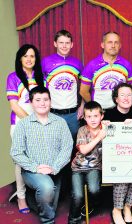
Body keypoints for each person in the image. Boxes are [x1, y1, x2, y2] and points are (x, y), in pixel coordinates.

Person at [10, 86, 73, 224]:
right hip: (32, 171)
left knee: (50, 205)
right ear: (31, 103)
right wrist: (36, 167)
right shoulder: (23, 125)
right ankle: (47, 221)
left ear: (50, 101)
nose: (42, 103)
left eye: (46, 99)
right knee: (46, 189)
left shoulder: (60, 123)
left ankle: (32, 199)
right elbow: (16, 153)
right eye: (37, 100)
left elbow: (67, 148)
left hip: (55, 171)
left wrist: (54, 167)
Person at [6, 44, 44, 214]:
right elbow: (14, 105)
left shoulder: (41, 77)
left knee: (37, 160)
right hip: (20, 125)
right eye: (25, 56)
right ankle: (21, 197)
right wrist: (31, 123)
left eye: (32, 56)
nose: (29, 59)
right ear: (20, 58)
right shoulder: (13, 77)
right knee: (21, 162)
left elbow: (45, 103)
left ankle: (36, 194)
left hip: (41, 125)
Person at [104, 82, 132, 224]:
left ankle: (128, 206)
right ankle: (117, 209)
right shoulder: (107, 115)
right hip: (113, 158)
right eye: (122, 95)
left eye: (129, 95)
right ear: (116, 99)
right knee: (123, 170)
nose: (126, 98)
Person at [68, 101, 106, 224]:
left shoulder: (105, 129)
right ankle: (73, 219)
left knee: (94, 190)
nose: (93, 119)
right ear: (84, 118)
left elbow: (121, 131)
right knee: (77, 196)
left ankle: (92, 205)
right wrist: (99, 137)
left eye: (96, 116)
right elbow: (83, 150)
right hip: (78, 168)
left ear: (102, 116)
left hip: (95, 167)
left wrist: (127, 123)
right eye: (89, 117)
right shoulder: (82, 130)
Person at [42, 29, 84, 139]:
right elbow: (38, 89)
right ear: (55, 43)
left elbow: (86, 87)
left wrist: (82, 106)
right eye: (61, 43)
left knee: (73, 148)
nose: (64, 46)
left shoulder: (77, 63)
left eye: (67, 43)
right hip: (52, 113)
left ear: (72, 44)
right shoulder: (45, 62)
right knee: (54, 147)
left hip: (73, 115)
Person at [80, 31, 132, 110]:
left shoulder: (127, 65)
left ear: (120, 45)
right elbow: (83, 91)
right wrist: (94, 108)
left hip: (120, 111)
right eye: (109, 42)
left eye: (116, 42)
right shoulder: (92, 65)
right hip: (100, 111)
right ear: (102, 45)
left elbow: (130, 89)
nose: (113, 45)